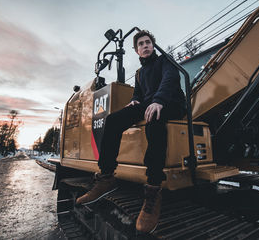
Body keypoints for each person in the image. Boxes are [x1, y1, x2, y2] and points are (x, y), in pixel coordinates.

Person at [75, 30, 186, 233]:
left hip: (171, 103)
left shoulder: (165, 61)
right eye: (141, 44)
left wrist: (158, 101)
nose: (145, 45)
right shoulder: (140, 73)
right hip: (150, 103)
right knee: (113, 120)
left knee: (154, 118)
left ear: (153, 45)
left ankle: (153, 190)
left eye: (148, 42)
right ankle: (107, 176)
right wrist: (135, 100)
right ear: (137, 50)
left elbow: (170, 80)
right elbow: (139, 93)